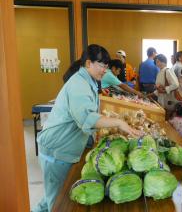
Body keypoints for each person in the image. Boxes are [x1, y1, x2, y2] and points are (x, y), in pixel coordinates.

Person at [33, 44, 142, 212]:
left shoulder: (87, 80)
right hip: (57, 149)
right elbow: (87, 118)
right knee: (57, 202)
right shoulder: (79, 84)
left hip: (63, 147)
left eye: (106, 66)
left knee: (51, 196)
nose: (105, 70)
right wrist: (119, 123)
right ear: (89, 63)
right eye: (102, 65)